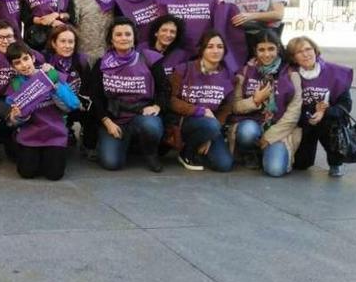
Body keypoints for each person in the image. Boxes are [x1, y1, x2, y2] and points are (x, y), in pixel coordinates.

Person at [88, 18, 167, 172]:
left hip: (141, 115)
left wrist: (157, 106)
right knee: (112, 163)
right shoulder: (101, 63)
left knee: (151, 126)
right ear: (111, 39)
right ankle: (117, 143)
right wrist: (107, 122)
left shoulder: (150, 59)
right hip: (114, 118)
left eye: (127, 34)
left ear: (134, 38)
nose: (123, 38)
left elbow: (164, 89)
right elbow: (95, 97)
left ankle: (150, 152)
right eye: (118, 35)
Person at [230, 30, 302, 176]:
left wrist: (268, 138)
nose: (267, 54)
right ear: (255, 51)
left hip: (278, 128)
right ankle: (251, 152)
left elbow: (294, 114)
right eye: (261, 50)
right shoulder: (245, 71)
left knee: (275, 170)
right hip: (251, 123)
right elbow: (234, 106)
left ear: (278, 48)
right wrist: (254, 101)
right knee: (247, 132)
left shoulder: (290, 74)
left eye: (271, 49)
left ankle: (266, 150)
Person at [5, 41, 80, 180]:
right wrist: (18, 117)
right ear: (13, 66)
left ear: (32, 58)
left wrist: (53, 84)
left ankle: (51, 155)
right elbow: (14, 121)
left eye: (26, 59)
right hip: (30, 135)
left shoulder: (50, 74)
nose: (24, 65)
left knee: (54, 175)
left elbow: (73, 104)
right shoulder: (16, 85)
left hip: (54, 132)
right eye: (18, 62)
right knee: (26, 173)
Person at [0, 21, 44, 164]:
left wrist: (47, 67)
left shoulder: (24, 55)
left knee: (17, 157)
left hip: (23, 101)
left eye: (9, 36)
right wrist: (8, 110)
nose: (5, 41)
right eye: (0, 37)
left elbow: (42, 63)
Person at [287, 36, 355, 177]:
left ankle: (335, 161)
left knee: (330, 123)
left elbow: (346, 104)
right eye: (299, 52)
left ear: (315, 50)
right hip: (304, 121)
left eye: (308, 49)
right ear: (293, 58)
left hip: (329, 120)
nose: (305, 54)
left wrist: (325, 111)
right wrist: (309, 116)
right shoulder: (289, 75)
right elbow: (286, 105)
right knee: (301, 165)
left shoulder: (335, 72)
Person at [169, 31, 235, 172]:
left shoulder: (228, 76)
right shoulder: (184, 69)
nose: (215, 50)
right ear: (202, 49)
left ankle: (200, 146)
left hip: (212, 126)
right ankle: (186, 152)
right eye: (210, 46)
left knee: (224, 165)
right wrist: (200, 110)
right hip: (186, 122)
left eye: (219, 46)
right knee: (209, 124)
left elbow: (225, 110)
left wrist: (210, 136)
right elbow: (171, 100)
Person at [45, 25, 95, 154]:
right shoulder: (46, 60)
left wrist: (83, 102)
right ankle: (65, 131)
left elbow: (88, 88)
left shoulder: (82, 60)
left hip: (76, 103)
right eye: (63, 41)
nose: (67, 46)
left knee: (93, 111)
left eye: (71, 42)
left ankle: (88, 142)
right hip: (54, 103)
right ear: (54, 43)